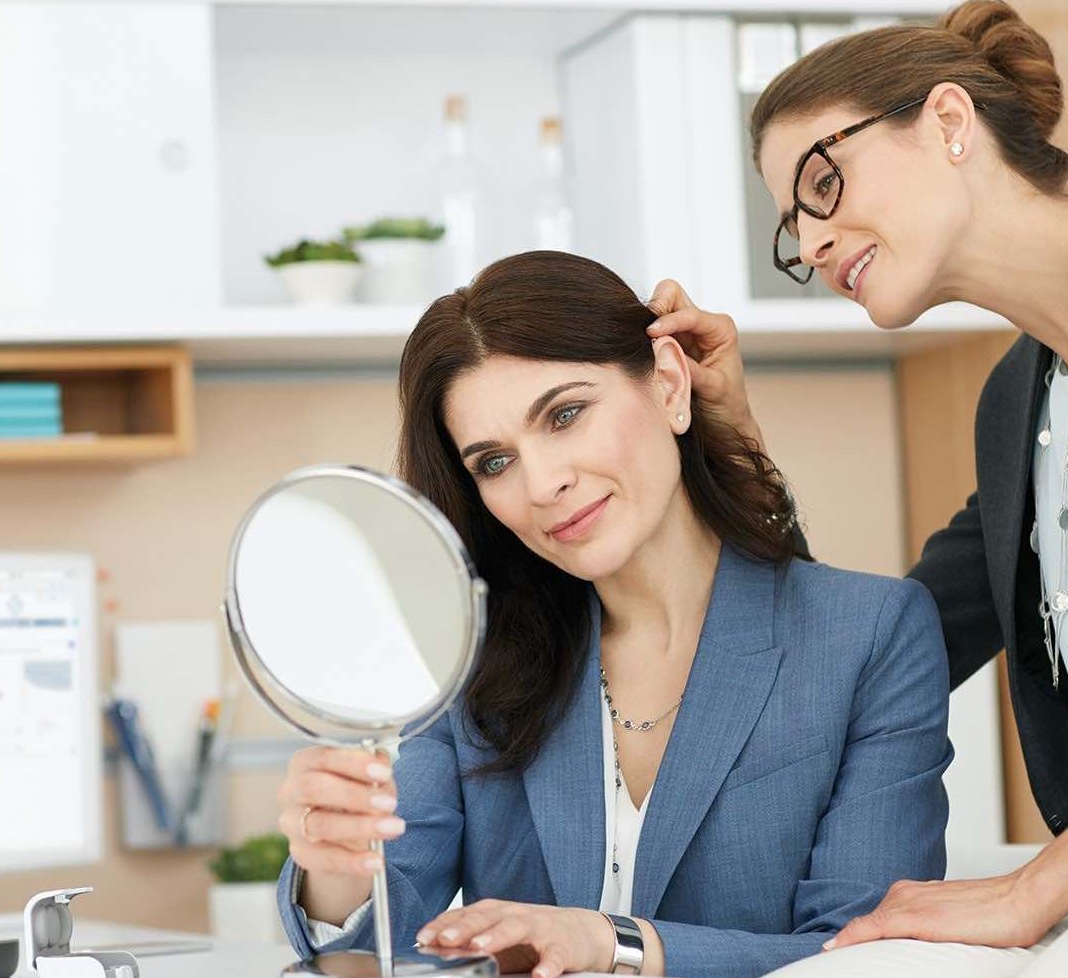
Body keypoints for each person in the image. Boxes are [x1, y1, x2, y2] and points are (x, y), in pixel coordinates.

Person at [644, 2, 1068, 974]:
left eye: (821, 181)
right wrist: (730, 437)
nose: (811, 240)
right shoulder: (1016, 400)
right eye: (791, 226)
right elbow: (868, 651)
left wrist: (1035, 890)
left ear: (949, 123)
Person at [271, 250, 953, 978]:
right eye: (494, 463)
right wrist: (335, 866)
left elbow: (875, 954)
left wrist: (615, 944)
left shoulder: (870, 634)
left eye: (565, 415)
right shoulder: (472, 665)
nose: (543, 483)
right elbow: (384, 942)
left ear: (667, 383)